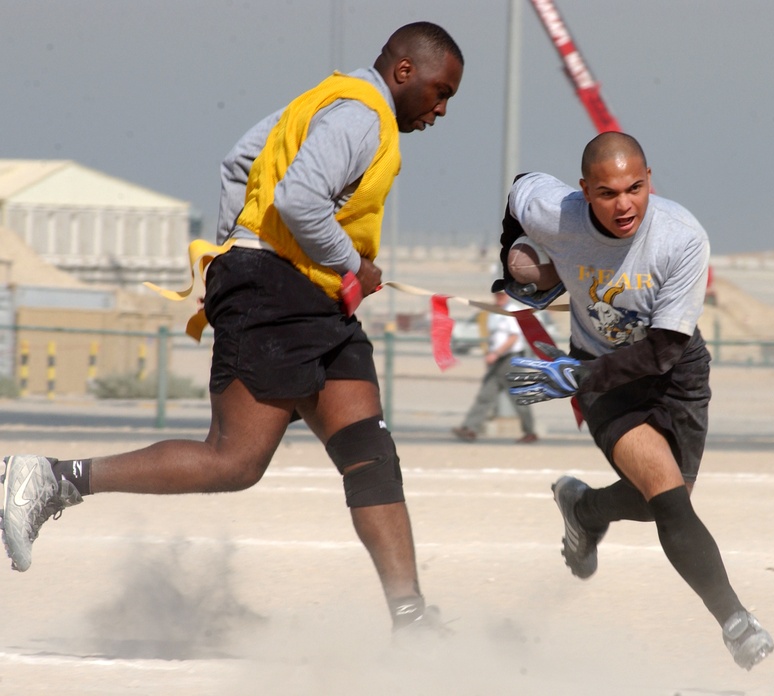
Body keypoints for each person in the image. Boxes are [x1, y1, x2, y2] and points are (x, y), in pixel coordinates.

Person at [0, 22, 464, 633]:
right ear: (405, 72)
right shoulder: (362, 116)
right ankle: (55, 478)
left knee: (370, 453)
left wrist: (235, 248)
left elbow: (239, 160)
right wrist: (342, 264)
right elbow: (300, 200)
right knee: (233, 461)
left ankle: (411, 620)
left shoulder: (328, 97)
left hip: (308, 298)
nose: (441, 109)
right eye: (440, 91)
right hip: (278, 291)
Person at [495, 131, 774, 670]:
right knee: (668, 499)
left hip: (675, 370)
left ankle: (585, 507)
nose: (624, 205)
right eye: (607, 193)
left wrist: (575, 380)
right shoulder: (557, 213)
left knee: (664, 502)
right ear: (584, 192)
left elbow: (664, 349)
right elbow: (518, 189)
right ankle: (736, 621)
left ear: (650, 181)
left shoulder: (682, 237)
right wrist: (509, 264)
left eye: (635, 188)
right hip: (605, 379)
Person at [452, 291, 539, 444]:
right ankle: (470, 428)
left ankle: (529, 431)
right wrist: (491, 353)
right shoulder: (494, 313)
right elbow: (493, 336)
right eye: (497, 295)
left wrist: (497, 353)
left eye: (502, 295)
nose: (499, 298)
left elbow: (514, 337)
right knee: (486, 395)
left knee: (519, 397)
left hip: (511, 359)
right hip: (497, 359)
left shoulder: (512, 310)